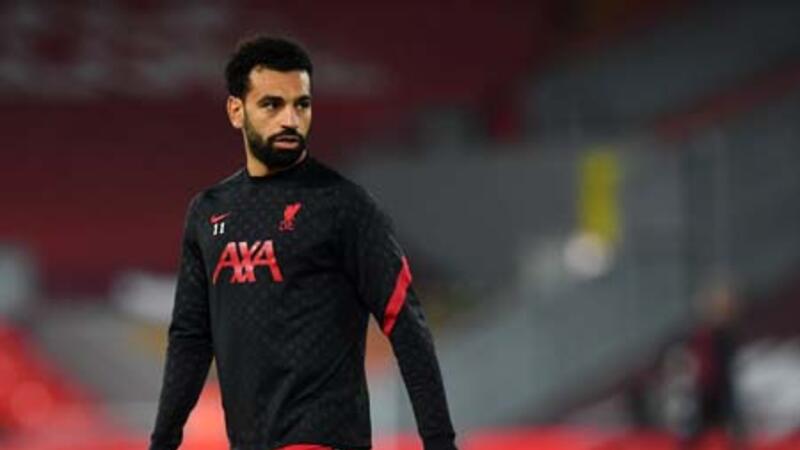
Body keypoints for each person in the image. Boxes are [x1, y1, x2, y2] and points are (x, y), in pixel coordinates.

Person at [149, 36, 458, 450]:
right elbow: (190, 338)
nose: (290, 120)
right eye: (272, 105)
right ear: (236, 111)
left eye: (302, 105)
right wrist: (163, 441)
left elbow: (406, 323)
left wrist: (439, 442)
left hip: (325, 438)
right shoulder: (207, 212)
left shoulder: (343, 206)